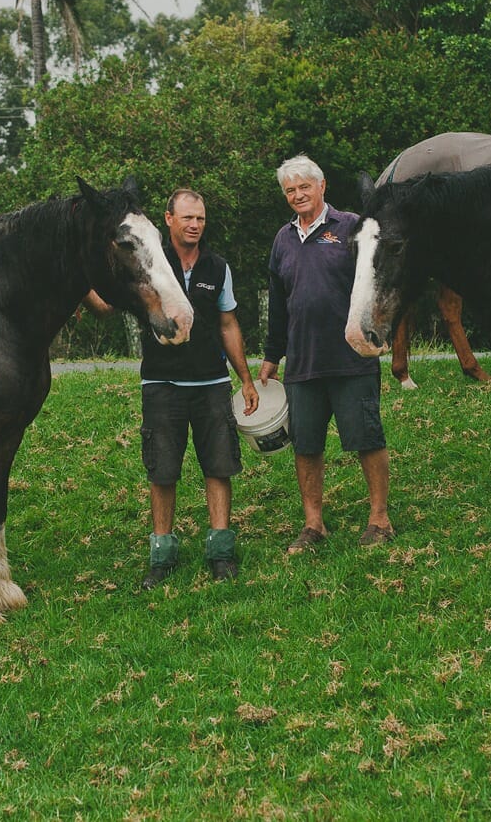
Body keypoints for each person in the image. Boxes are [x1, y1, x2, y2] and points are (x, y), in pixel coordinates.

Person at [258, 155, 394, 551]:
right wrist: (271, 354)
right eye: (290, 190)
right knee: (306, 446)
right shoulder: (282, 239)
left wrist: (380, 331)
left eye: (304, 187)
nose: (298, 195)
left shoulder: (352, 227)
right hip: (302, 363)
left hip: (352, 358)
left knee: (367, 438)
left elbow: (379, 282)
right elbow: (279, 304)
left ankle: (379, 519)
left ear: (322, 186)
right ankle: (314, 525)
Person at [128, 188, 259, 588]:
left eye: (200, 218)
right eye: (187, 218)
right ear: (168, 219)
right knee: (162, 471)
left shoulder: (218, 267)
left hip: (211, 384)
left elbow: (228, 324)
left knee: (219, 468)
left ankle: (220, 552)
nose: (194, 225)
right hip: (162, 384)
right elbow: (107, 300)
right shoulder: (149, 263)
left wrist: (246, 378)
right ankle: (161, 556)